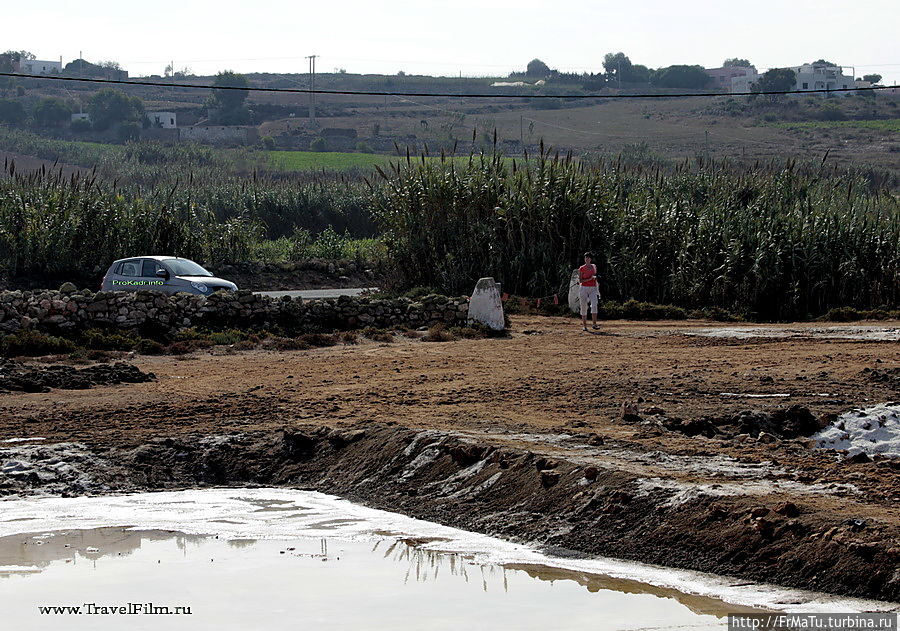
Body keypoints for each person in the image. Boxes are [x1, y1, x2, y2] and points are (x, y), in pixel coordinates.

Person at [578, 252, 600, 331]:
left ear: (591, 259)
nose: (586, 259)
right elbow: (580, 280)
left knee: (594, 304)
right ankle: (584, 325)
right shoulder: (581, 268)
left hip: (593, 288)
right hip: (584, 288)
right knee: (583, 306)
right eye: (585, 258)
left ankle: (594, 324)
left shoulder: (594, 266)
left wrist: (595, 279)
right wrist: (589, 279)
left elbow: (595, 275)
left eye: (588, 258)